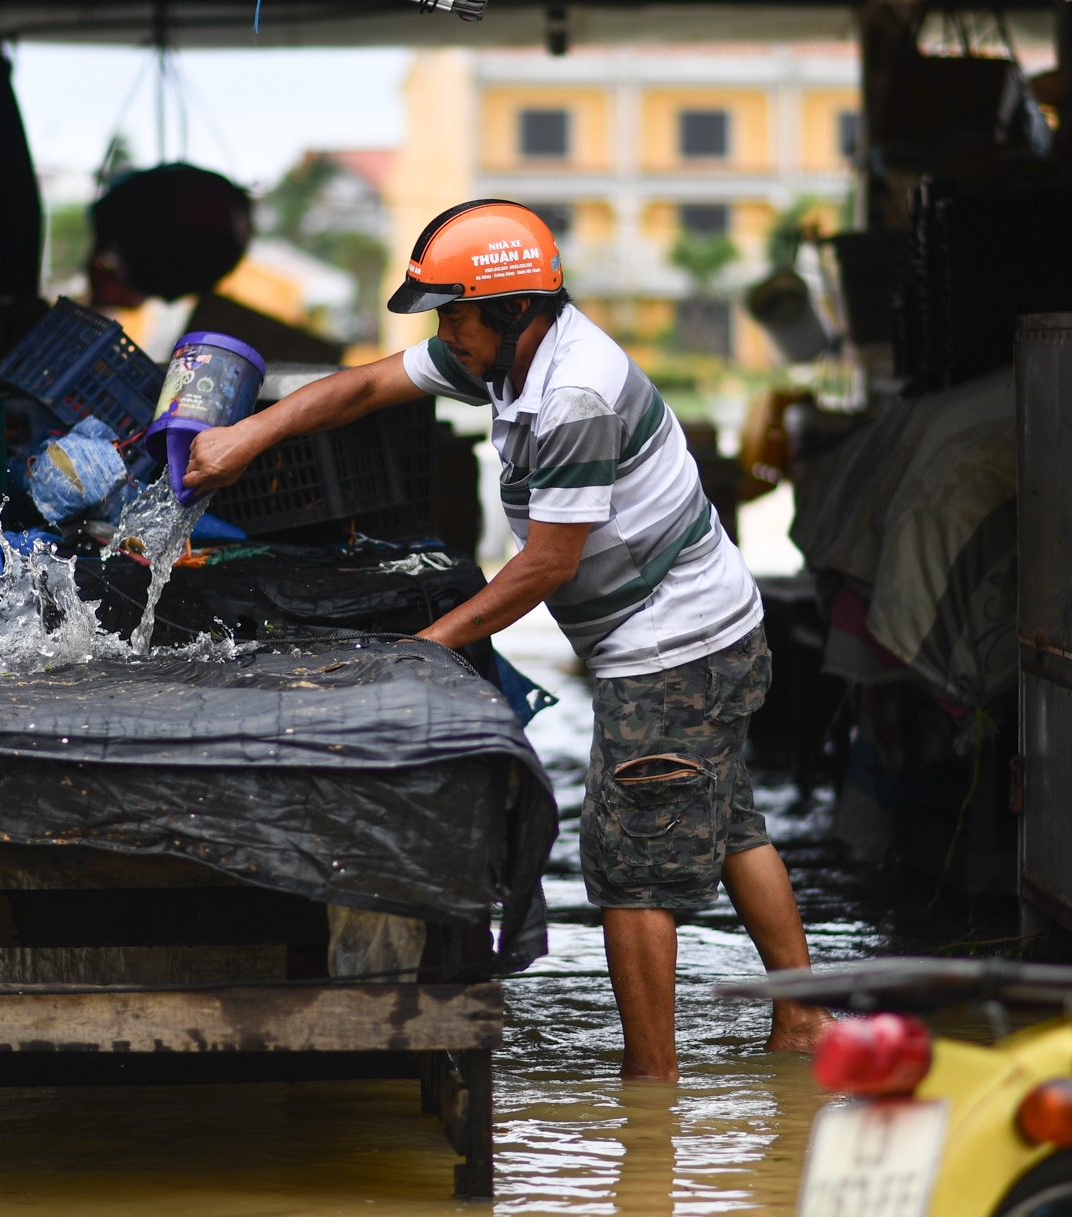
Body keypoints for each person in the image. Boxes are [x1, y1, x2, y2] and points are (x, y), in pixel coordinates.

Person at [184, 199, 831, 1080]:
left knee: (630, 867)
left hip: (674, 645)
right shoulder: (501, 356)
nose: (447, 334)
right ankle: (801, 1021)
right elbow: (369, 384)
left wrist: (426, 644)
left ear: (515, 309)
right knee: (727, 822)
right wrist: (249, 435)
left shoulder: (574, 394)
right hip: (705, 626)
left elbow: (544, 567)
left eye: (456, 315)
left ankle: (650, 1093)